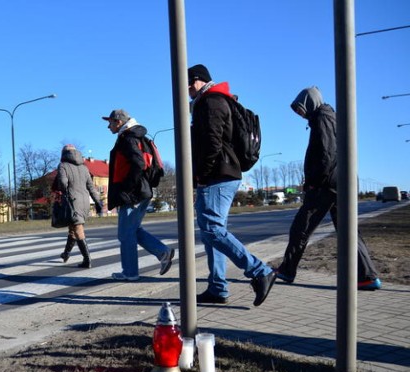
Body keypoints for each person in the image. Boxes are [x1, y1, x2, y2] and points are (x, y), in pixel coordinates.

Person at [275, 86, 381, 291]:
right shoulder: (329, 117)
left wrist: (315, 180)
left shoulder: (322, 118)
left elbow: (326, 153)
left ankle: (287, 270)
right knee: (348, 231)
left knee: (301, 227)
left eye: (300, 108)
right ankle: (368, 276)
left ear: (310, 103)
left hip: (326, 184)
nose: (299, 114)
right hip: (341, 183)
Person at [188, 64, 276, 306]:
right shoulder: (218, 100)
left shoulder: (210, 102)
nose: (186, 91)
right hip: (224, 172)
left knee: (212, 230)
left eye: (187, 85)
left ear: (197, 81)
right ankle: (218, 288)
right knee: (212, 233)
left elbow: (212, 143)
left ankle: (260, 271)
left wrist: (201, 175)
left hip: (218, 174)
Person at [103, 109, 175, 281]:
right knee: (132, 230)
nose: (108, 126)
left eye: (110, 122)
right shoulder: (134, 136)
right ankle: (162, 252)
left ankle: (130, 272)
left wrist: (128, 187)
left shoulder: (128, 138)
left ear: (119, 122)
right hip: (140, 191)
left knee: (125, 234)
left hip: (133, 193)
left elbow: (138, 163)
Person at [54, 144, 103, 268]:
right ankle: (66, 254)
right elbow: (91, 187)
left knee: (78, 230)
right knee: (73, 228)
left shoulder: (63, 166)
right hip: (85, 202)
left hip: (72, 201)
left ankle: (87, 260)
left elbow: (62, 183)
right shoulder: (84, 168)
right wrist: (98, 202)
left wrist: (64, 190)